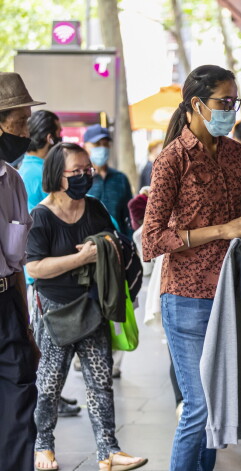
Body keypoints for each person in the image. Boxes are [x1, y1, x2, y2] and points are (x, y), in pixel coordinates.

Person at [142, 64, 241, 471]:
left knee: (217, 407)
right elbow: (152, 240)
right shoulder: (172, 160)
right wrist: (219, 231)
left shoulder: (236, 154)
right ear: (197, 104)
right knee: (199, 404)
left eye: (235, 102)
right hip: (186, 296)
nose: (231, 109)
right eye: (223, 102)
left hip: (230, 294)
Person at [26, 142, 147, 471]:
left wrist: (107, 246)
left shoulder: (93, 208)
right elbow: (35, 268)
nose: (85, 176)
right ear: (57, 175)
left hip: (93, 305)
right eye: (76, 172)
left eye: (87, 171)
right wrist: (80, 258)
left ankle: (109, 450)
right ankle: (43, 446)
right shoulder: (41, 216)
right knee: (50, 384)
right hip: (56, 310)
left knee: (101, 381)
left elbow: (115, 239)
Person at [19, 109, 82, 418]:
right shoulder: (36, 173)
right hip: (45, 278)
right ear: (49, 136)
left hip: (44, 276)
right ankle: (45, 413)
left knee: (51, 349)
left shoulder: (25, 170)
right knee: (49, 350)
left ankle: (51, 400)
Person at [0, 71, 43, 471]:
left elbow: (17, 265)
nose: (27, 131)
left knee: (19, 400)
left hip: (7, 304)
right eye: (22, 121)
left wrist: (26, 328)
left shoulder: (13, 181)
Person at [84, 124, 133, 236]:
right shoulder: (82, 178)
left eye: (105, 144)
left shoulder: (120, 178)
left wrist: (130, 244)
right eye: (96, 144)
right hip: (88, 243)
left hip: (117, 242)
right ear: (85, 146)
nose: (102, 148)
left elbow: (129, 216)